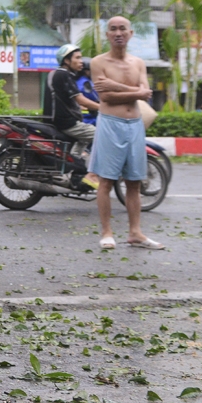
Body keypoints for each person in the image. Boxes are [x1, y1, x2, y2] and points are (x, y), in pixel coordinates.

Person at [90, 16, 164, 251]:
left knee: (134, 182)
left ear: (130, 33)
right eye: (113, 29)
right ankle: (107, 232)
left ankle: (135, 233)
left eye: (122, 29)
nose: (118, 33)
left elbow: (146, 93)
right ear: (107, 34)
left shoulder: (138, 63)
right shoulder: (98, 62)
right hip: (110, 123)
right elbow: (106, 97)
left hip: (135, 125)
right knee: (106, 181)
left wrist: (116, 86)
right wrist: (135, 92)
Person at [46, 44, 100, 159]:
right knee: (101, 135)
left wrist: (86, 107)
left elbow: (67, 101)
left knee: (84, 138)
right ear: (66, 60)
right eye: (77, 58)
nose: (81, 62)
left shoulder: (56, 73)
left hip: (58, 120)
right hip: (66, 123)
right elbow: (80, 99)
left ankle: (75, 165)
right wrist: (103, 108)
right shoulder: (64, 74)